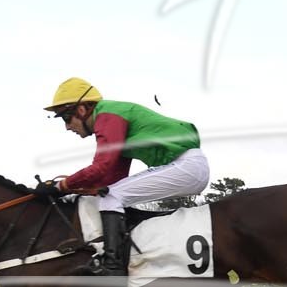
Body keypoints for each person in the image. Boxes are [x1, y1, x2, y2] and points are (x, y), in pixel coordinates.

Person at [42, 78, 210, 276]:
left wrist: (61, 186)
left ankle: (113, 267)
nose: (67, 127)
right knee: (111, 194)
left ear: (81, 109)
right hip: (185, 166)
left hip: (186, 166)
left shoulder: (107, 116)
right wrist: (68, 191)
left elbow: (101, 166)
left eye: (66, 118)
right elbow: (110, 180)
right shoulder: (113, 119)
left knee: (111, 196)